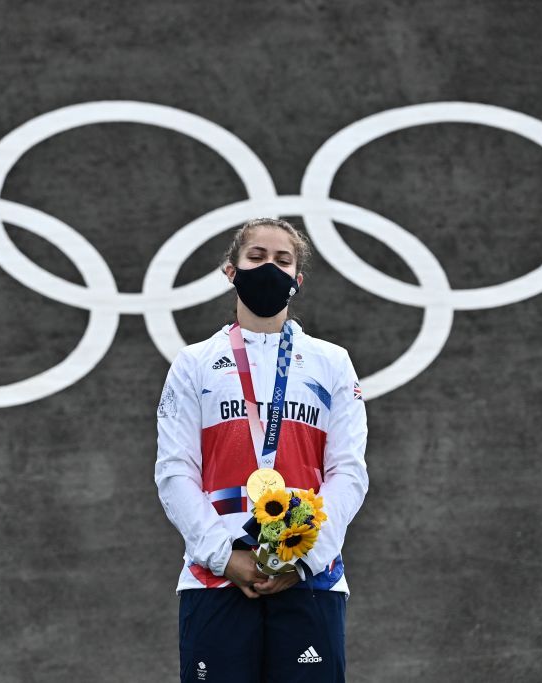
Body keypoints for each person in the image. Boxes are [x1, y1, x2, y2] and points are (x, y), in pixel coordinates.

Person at [155, 217, 369, 682]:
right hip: (215, 577)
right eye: (255, 258)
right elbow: (175, 474)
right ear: (230, 271)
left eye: (282, 260)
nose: (268, 268)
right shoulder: (193, 364)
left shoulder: (332, 362)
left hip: (310, 578)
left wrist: (304, 558)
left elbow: (348, 473)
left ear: (297, 280)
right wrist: (225, 557)